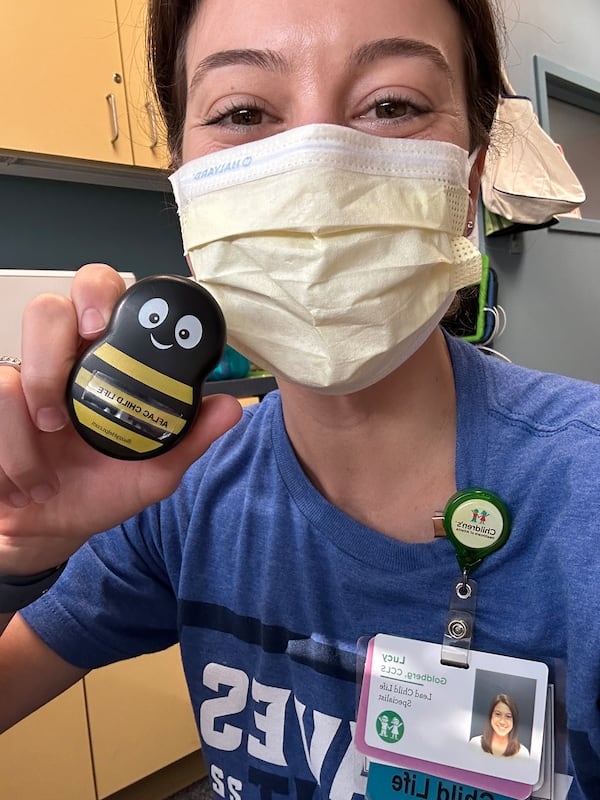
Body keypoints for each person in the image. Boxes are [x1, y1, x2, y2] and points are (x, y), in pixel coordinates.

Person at [0, 1, 599, 798]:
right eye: (243, 112)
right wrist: (16, 549)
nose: (316, 163)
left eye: (392, 105)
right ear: (186, 188)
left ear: (468, 183)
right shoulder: (177, 492)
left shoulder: (583, 494)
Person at [470, 694, 530, 758]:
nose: (502, 721)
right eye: (498, 714)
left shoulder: (522, 754)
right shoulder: (475, 744)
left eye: (508, 716)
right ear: (491, 716)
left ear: (514, 721)